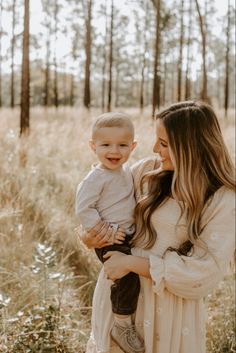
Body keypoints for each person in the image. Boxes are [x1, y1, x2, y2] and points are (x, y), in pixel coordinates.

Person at [81, 101, 235, 353]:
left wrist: (131, 263)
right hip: (121, 300)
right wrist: (90, 238)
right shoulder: (146, 171)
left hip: (169, 310)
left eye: (163, 143)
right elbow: (103, 210)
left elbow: (204, 273)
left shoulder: (222, 198)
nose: (154, 149)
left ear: (190, 146)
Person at [76, 112, 145, 353]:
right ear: (93, 146)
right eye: (105, 144)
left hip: (126, 235)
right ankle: (122, 323)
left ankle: (124, 318)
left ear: (133, 146)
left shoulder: (126, 171)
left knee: (130, 274)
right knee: (127, 275)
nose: (114, 151)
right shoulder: (96, 178)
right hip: (109, 239)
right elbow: (83, 209)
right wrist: (105, 231)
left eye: (122, 145)